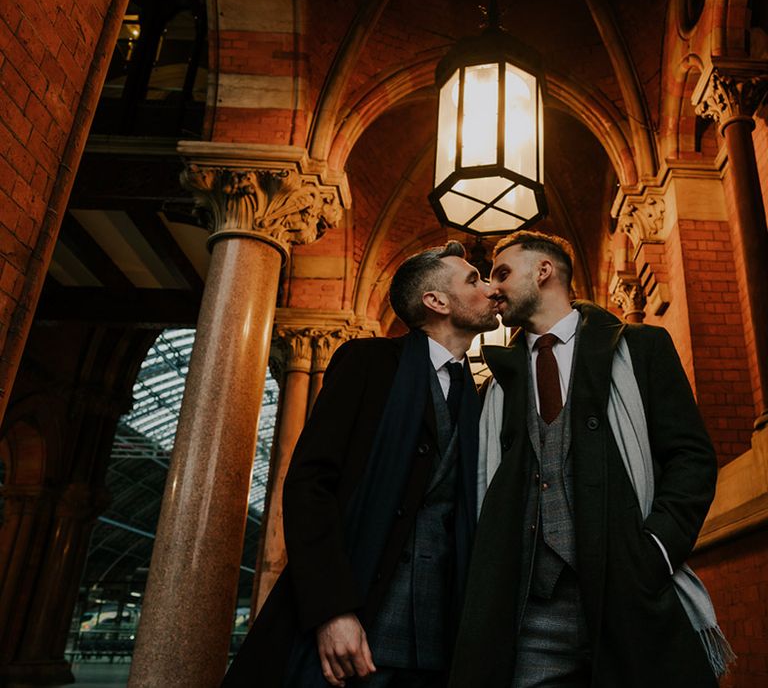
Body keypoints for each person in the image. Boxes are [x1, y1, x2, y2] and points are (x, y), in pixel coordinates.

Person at [448, 231, 723, 688]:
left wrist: (655, 550)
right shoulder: (497, 383)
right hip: (531, 614)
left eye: (502, 273)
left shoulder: (640, 348)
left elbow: (691, 458)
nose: (492, 288)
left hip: (630, 596)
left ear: (544, 271)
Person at [223, 241, 499, 687]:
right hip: (360, 626)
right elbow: (309, 485)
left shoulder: (479, 393)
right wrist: (332, 610)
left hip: (440, 638)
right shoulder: (369, 364)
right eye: (473, 279)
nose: (488, 288)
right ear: (436, 301)